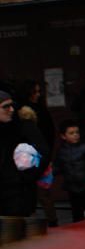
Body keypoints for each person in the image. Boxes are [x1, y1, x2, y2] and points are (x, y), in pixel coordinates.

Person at [0, 90, 48, 218]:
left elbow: (42, 153)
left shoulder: (24, 126)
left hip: (18, 194)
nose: (11, 110)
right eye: (6, 106)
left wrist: (24, 178)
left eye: (12, 106)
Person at [53, 119, 85, 222]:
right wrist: (49, 174)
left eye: (77, 132)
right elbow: (58, 166)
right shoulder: (62, 151)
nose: (75, 135)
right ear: (63, 136)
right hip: (72, 187)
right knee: (77, 212)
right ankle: (79, 232)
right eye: (71, 133)